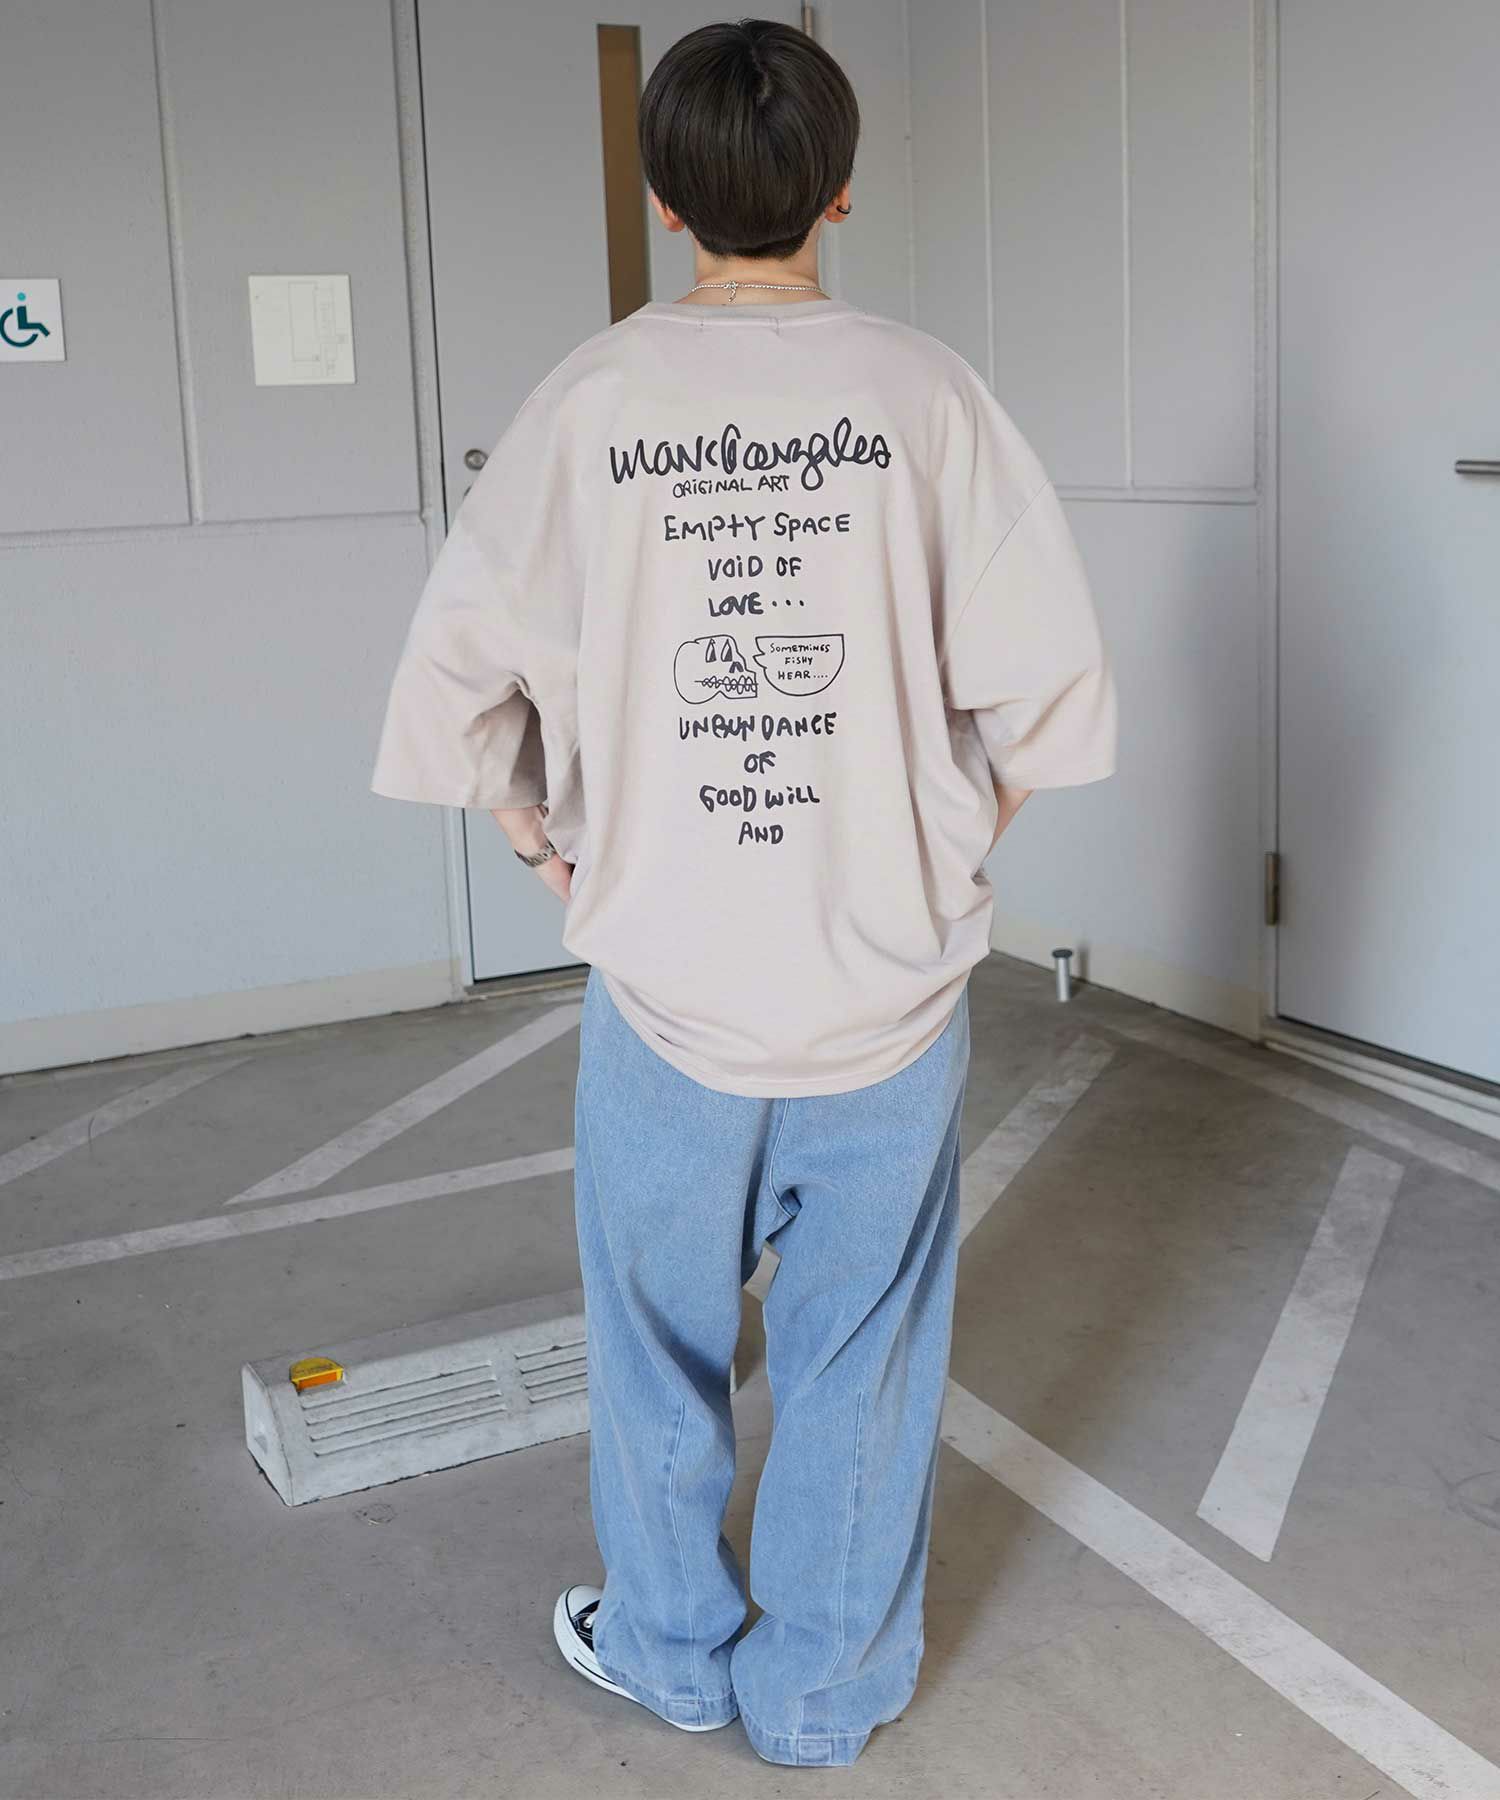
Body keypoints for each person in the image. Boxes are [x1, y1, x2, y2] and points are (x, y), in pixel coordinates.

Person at [369, 16, 1117, 1768]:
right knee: (862, 1358)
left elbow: (453, 683)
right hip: (886, 995)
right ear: (840, 194)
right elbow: (1051, 692)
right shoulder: (928, 398)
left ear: (664, 200)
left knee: (654, 1349)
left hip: (666, 990)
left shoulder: (589, 402)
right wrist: (951, 839)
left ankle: (673, 1653)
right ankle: (819, 1697)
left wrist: (542, 844)